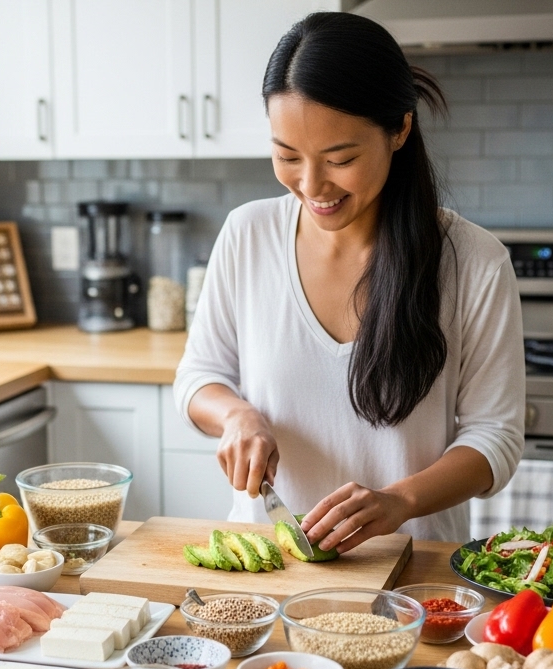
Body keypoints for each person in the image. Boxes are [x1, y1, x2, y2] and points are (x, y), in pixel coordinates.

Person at [173, 12, 524, 553]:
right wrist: (236, 415)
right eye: (287, 156)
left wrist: (399, 501)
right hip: (268, 564)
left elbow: (495, 439)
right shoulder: (248, 234)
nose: (311, 185)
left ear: (400, 129)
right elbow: (199, 376)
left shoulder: (473, 262)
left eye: (340, 159)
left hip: (411, 570)